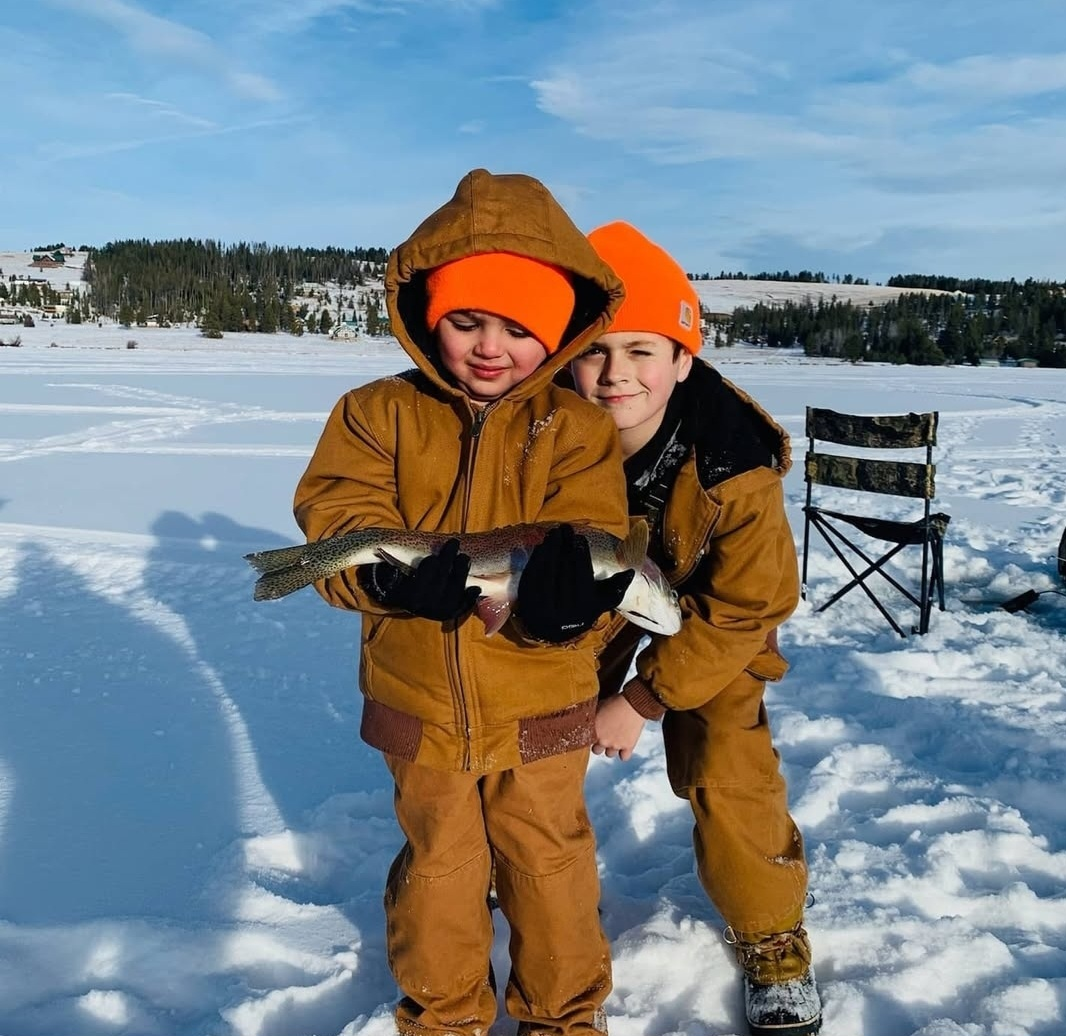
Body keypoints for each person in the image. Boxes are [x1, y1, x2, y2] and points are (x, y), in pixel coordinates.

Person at [293, 169, 636, 1036]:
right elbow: (339, 517)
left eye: (519, 328)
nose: (491, 346)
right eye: (466, 320)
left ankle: (565, 1019)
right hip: (421, 703)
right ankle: (442, 1018)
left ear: (556, 337)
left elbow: (601, 543)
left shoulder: (579, 429)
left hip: (543, 701)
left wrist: (575, 606)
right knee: (440, 866)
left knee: (548, 863)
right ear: (426, 317)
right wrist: (383, 577)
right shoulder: (376, 413)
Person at [568, 220, 822, 1036]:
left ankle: (773, 939)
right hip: (597, 600)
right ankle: (515, 869)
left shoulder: (734, 467)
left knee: (727, 757)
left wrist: (642, 700)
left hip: (713, 617)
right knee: (534, 724)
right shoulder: (544, 436)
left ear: (684, 359)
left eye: (643, 351)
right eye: (598, 350)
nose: (616, 375)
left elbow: (748, 606)